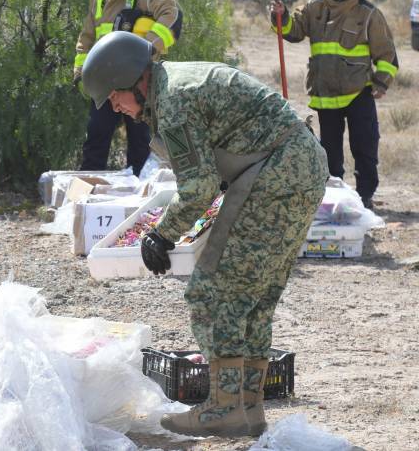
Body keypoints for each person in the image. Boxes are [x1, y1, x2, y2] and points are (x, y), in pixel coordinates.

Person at [81, 31, 328, 437]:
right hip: (297, 169)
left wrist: (161, 235)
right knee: (254, 297)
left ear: (133, 79)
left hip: (276, 176)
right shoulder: (173, 87)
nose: (115, 106)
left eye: (114, 96)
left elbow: (198, 186)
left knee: (213, 291)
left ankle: (223, 408)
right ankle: (247, 408)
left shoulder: (175, 100)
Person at [269, 0, 397, 210]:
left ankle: (364, 198)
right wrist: (279, 16)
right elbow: (292, 31)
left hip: (359, 93)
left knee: (364, 148)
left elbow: (387, 55)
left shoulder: (368, 14)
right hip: (324, 94)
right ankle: (334, 199)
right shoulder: (314, 8)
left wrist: (381, 83)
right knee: (329, 154)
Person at [73, 0, 181, 176]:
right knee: (96, 138)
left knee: (140, 141)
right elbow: (86, 38)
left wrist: (148, 48)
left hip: (138, 82)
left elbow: (172, 15)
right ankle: (88, 189)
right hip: (106, 82)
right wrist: (81, 72)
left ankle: (139, 193)